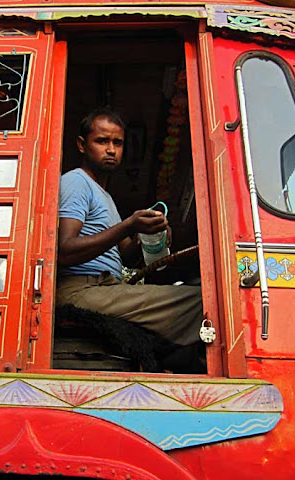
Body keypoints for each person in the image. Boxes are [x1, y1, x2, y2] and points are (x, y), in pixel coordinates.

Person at [56, 107, 204, 355]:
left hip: (106, 288)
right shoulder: (76, 181)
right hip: (78, 290)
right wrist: (129, 224)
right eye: (102, 141)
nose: (111, 150)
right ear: (82, 145)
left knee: (198, 296)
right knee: (202, 303)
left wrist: (148, 235)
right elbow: (64, 250)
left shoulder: (106, 198)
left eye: (118, 143)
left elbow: (127, 256)